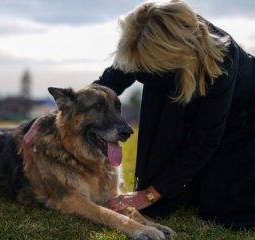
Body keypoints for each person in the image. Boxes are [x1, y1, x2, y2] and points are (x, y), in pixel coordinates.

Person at [94, 0, 255, 228]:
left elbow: (204, 140)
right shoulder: (141, 37)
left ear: (172, 56)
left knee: (220, 208)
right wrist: (58, 115)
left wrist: (148, 194)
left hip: (245, 119)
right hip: (205, 112)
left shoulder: (222, 59)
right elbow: (106, 85)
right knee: (180, 195)